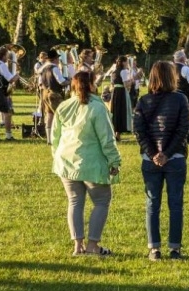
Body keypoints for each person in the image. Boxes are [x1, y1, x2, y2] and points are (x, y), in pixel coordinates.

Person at [51, 71, 121, 256]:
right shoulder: (98, 108)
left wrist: (56, 156)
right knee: (101, 201)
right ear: (91, 85)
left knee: (74, 201)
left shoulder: (63, 106)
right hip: (92, 162)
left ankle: (77, 246)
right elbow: (107, 138)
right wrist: (114, 161)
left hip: (66, 161)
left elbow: (55, 136)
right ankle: (92, 245)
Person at [133, 61, 189, 260]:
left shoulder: (144, 101)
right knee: (175, 203)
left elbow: (139, 131)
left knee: (152, 203)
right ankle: (175, 248)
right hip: (175, 157)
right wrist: (167, 153)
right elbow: (183, 129)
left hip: (150, 160)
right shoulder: (180, 99)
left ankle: (154, 248)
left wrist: (153, 153)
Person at [40, 49, 68, 145]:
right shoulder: (54, 68)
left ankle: (49, 139)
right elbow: (61, 81)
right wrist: (70, 81)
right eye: (57, 58)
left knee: (49, 115)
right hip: (54, 93)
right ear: (55, 59)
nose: (58, 60)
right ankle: (62, 137)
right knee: (62, 115)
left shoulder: (43, 68)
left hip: (45, 93)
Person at [108, 55, 134, 141]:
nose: (127, 63)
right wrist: (132, 80)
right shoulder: (124, 71)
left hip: (115, 92)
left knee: (116, 111)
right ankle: (118, 134)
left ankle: (116, 133)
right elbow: (126, 84)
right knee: (122, 111)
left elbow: (112, 84)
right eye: (127, 62)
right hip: (122, 92)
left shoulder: (114, 72)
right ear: (123, 62)